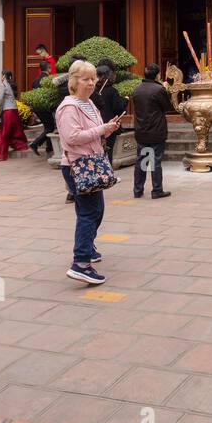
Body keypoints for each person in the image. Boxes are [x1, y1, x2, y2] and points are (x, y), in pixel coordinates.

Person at [56, 60, 123, 285]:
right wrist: (101, 129)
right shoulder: (68, 107)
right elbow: (72, 137)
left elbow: (93, 131)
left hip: (92, 163)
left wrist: (107, 128)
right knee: (88, 213)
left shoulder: (89, 104)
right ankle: (81, 263)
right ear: (74, 81)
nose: (91, 83)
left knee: (96, 210)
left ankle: (88, 247)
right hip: (77, 165)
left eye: (93, 78)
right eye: (86, 79)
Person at [131, 63, 176, 199]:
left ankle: (138, 189)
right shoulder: (158, 89)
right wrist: (165, 89)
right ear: (157, 75)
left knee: (143, 160)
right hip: (156, 130)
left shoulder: (137, 89)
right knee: (155, 160)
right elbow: (167, 107)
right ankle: (156, 190)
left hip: (141, 130)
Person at [91, 60, 129, 163]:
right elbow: (118, 107)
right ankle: (108, 176)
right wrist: (125, 100)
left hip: (94, 125)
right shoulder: (112, 91)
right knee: (108, 151)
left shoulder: (91, 90)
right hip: (108, 125)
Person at [0, 69, 29, 161]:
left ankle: (1, 155)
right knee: (16, 130)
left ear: (4, 76)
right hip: (14, 110)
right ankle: (20, 146)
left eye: (1, 75)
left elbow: (0, 100)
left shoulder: (2, 85)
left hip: (7, 111)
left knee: (3, 133)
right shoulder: (11, 85)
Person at [28, 65, 58, 157]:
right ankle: (35, 143)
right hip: (45, 107)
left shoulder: (35, 80)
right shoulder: (48, 80)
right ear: (49, 69)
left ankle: (49, 148)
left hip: (37, 107)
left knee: (48, 127)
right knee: (50, 128)